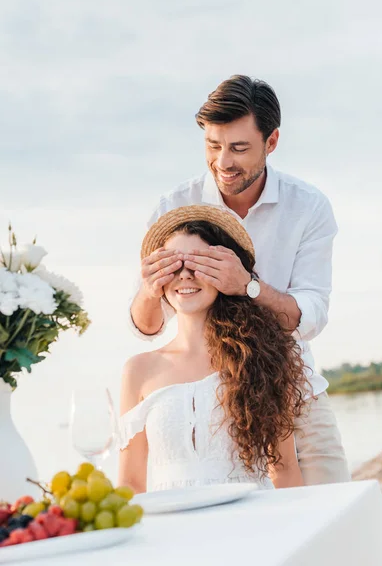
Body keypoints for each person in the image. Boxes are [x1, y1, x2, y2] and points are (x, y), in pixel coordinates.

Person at [129, 74, 350, 485]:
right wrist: (148, 289)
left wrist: (247, 286)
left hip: (294, 390)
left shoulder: (309, 208)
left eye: (239, 148)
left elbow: (311, 316)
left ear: (272, 142)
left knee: (334, 515)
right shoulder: (173, 206)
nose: (223, 162)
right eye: (213, 146)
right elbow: (147, 326)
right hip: (206, 397)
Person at [119, 206, 309, 492]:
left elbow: (283, 470)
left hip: (252, 523)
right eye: (172, 264)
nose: (184, 275)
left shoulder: (259, 358)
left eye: (198, 263)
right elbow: (130, 483)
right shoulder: (138, 370)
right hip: (173, 529)